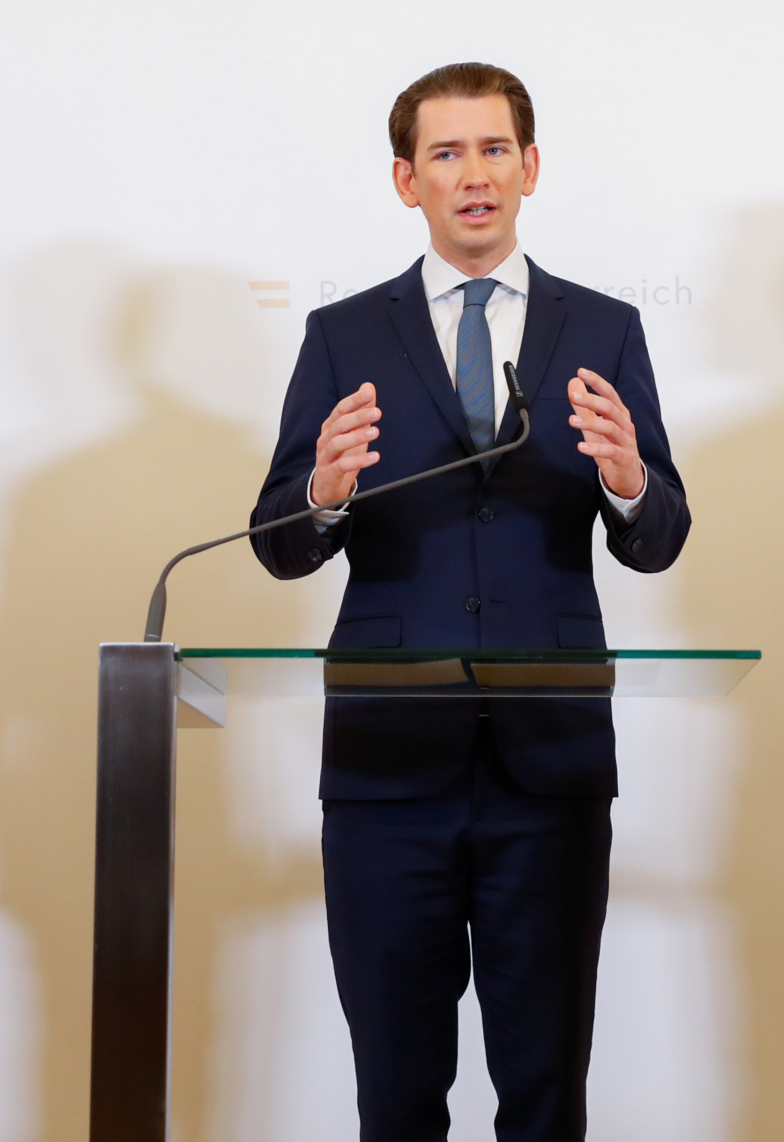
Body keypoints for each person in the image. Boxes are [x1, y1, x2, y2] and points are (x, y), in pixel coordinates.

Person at [250, 62, 690, 1142]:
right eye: (445, 154)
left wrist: (629, 480)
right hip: (385, 768)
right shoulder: (344, 336)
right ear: (407, 181)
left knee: (545, 1091)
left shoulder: (605, 329)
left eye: (494, 149)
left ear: (530, 167)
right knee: (396, 1092)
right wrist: (323, 491)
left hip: (549, 764)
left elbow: (661, 536)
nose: (474, 175)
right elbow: (276, 542)